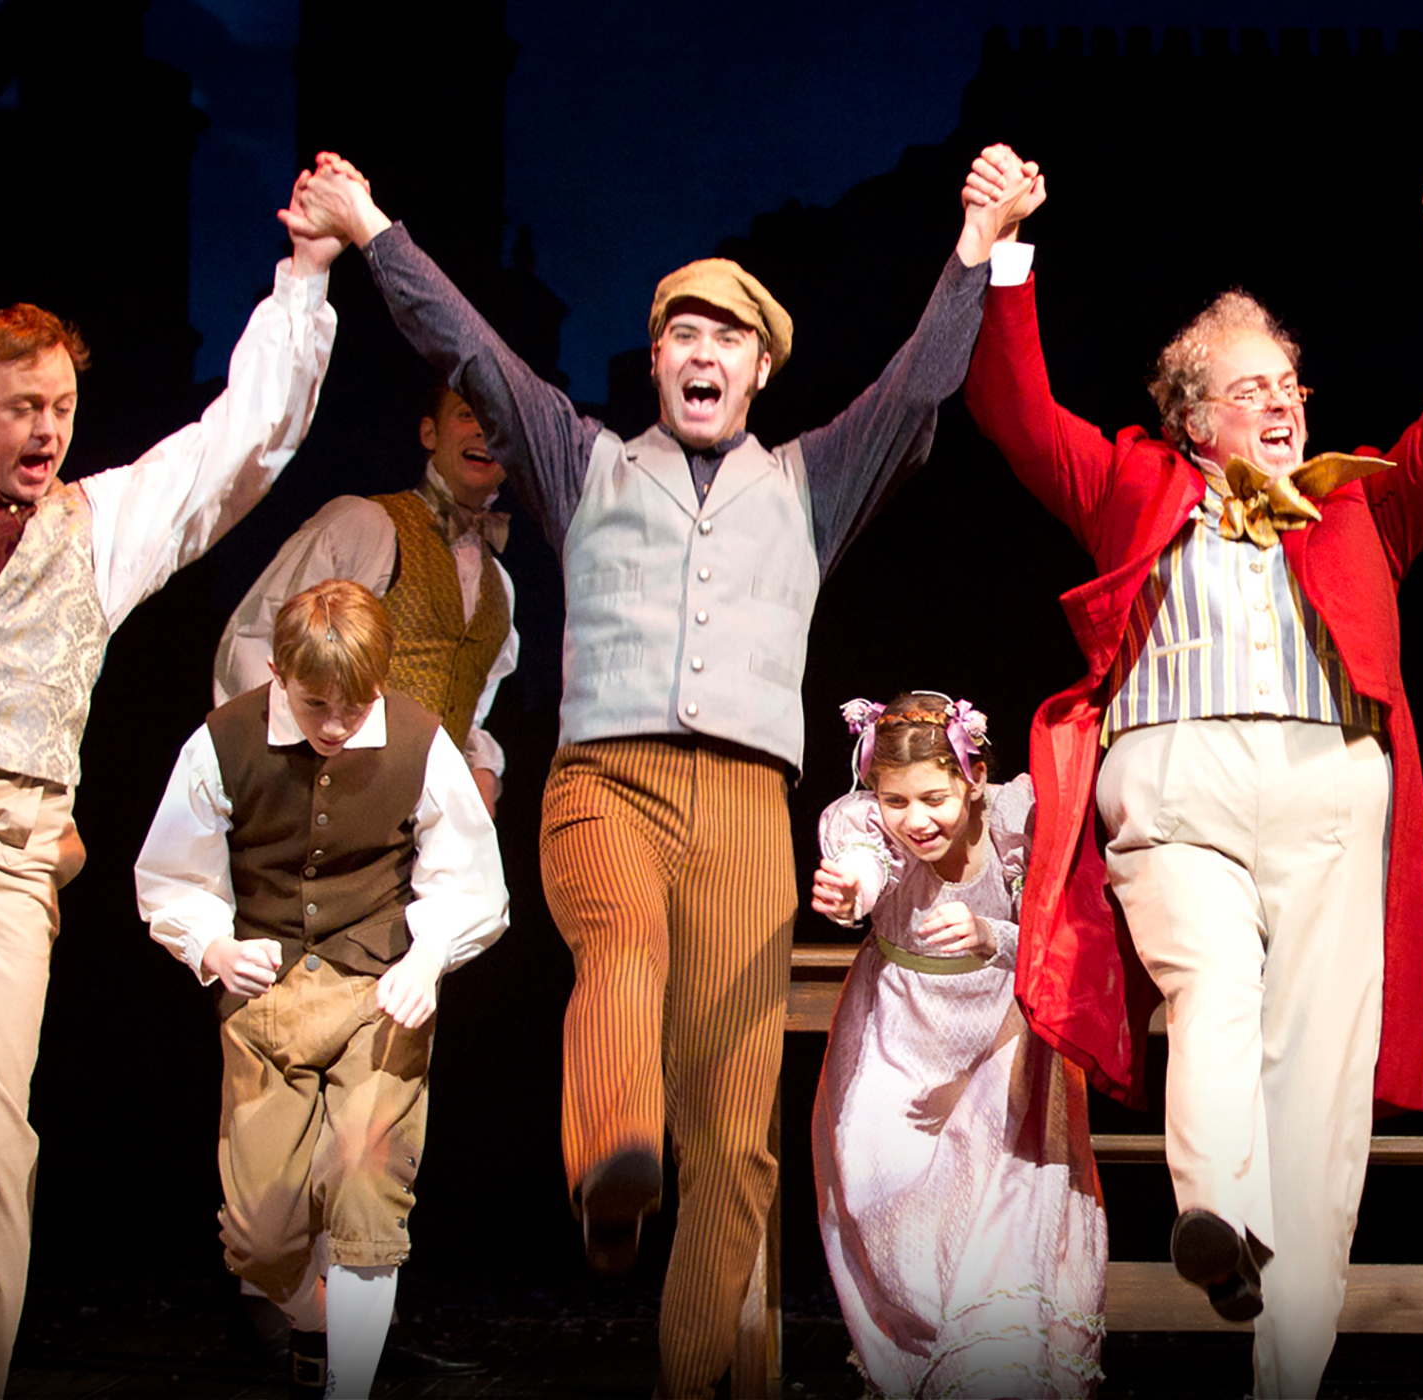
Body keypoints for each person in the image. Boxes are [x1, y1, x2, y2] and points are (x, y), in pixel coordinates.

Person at [283, 148, 1033, 1394]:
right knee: (620, 945)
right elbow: (472, 348)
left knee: (739, 1141)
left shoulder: (807, 483)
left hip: (745, 805)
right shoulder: (580, 460)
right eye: (684, 329)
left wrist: (971, 248)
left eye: (729, 337)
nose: (705, 350)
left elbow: (914, 393)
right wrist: (373, 231)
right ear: (658, 356)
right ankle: (616, 1159)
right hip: (607, 784)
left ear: (757, 369)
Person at [961, 146, 1423, 1397]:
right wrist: (1002, 247)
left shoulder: (1363, 500)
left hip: (1331, 791)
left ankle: (1289, 1371)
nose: (1282, 403)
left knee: (1319, 1090)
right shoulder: (1131, 480)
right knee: (1209, 984)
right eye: (1248, 387)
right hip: (1177, 784)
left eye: (1291, 383)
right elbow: (1012, 408)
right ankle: (1215, 1212)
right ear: (1192, 414)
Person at [0, 184, 338, 1397]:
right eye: (22, 408)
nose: (47, 428)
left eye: (61, 405)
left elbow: (237, 447)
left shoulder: (100, 525)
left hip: (4, 847)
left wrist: (305, 275)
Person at [133, 580, 507, 1400]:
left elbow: (473, 882)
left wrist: (426, 957)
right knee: (261, 1238)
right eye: (315, 706)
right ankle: (320, 1326)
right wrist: (214, 946)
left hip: (378, 994)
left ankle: (349, 1386)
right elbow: (170, 876)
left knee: (368, 1185)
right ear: (275, 672)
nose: (336, 727)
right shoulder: (221, 743)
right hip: (265, 1006)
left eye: (354, 706)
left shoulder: (418, 741)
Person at [807, 692, 1105, 1397]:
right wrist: (852, 889)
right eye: (896, 800)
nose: (915, 820)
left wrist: (988, 936)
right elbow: (864, 861)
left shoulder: (1012, 822)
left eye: (934, 798)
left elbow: (1055, 930)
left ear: (972, 781)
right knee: (883, 1185)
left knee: (999, 1205)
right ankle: (926, 1359)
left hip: (999, 1039)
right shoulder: (867, 825)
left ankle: (992, 1368)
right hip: (898, 1036)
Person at [216, 382, 517, 813]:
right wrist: (292, 778)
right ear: (429, 434)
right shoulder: (367, 526)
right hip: (326, 814)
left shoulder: (499, 587)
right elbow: (257, 641)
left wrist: (480, 769)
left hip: (418, 837)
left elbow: (465, 710)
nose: (482, 434)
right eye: (467, 415)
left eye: (497, 424)